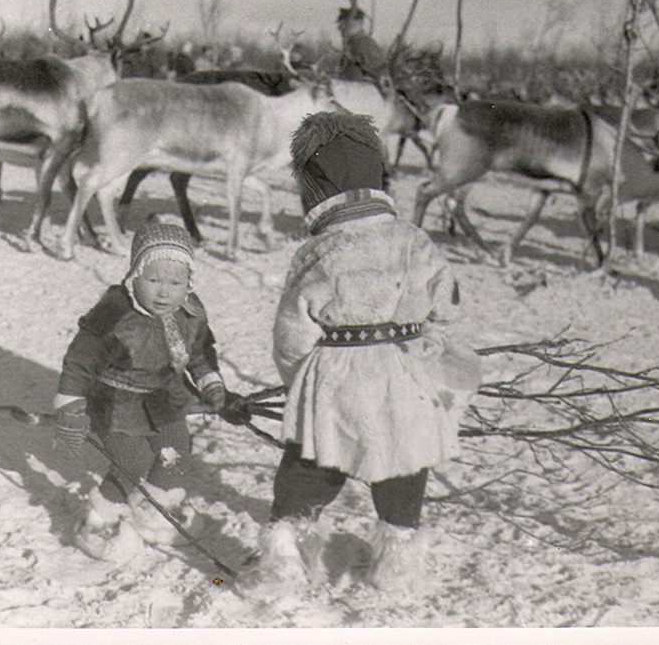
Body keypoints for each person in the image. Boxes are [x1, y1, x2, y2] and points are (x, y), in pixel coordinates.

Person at [257, 111, 481, 592]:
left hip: (335, 374)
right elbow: (446, 306)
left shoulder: (317, 253)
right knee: (403, 461)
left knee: (314, 460)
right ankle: (397, 559)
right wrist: (428, 347)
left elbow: (292, 330)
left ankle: (287, 550)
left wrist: (299, 381)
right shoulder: (415, 240)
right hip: (403, 372)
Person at [52, 222, 227, 560]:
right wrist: (71, 404)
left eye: (175, 283)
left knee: (175, 448)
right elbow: (79, 360)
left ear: (188, 283)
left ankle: (154, 508)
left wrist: (210, 382)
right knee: (132, 459)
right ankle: (97, 520)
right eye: (154, 280)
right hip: (116, 397)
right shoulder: (116, 313)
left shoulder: (189, 312)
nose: (164, 293)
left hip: (164, 395)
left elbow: (199, 352)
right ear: (135, 275)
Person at [336, 7, 388, 84]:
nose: (339, 28)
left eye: (343, 24)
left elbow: (380, 73)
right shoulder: (353, 44)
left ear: (355, 23)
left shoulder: (363, 43)